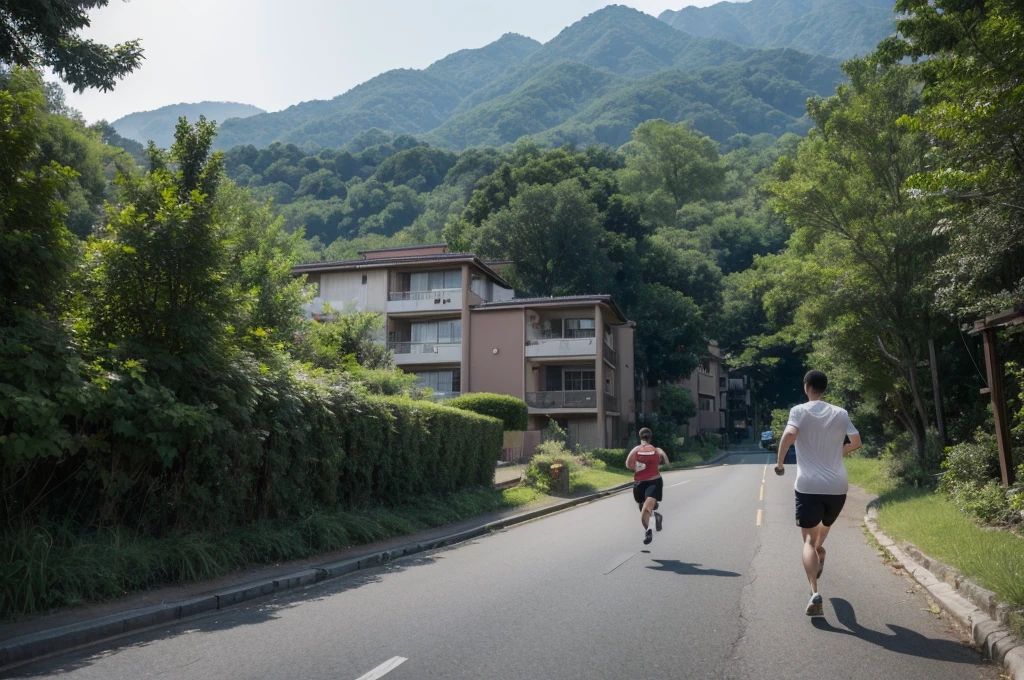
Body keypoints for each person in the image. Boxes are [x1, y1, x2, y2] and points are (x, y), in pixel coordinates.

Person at [774, 370, 862, 616]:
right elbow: (856, 442)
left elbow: (789, 435)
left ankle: (814, 593)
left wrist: (779, 464)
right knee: (823, 529)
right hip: (837, 487)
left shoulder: (799, 411)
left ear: (806, 387)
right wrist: (837, 454)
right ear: (825, 388)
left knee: (809, 541)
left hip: (808, 486)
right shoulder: (840, 413)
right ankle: (820, 552)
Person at [626, 428, 670, 545]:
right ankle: (656, 516)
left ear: (640, 437)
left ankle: (648, 532)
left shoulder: (636, 450)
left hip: (652, 482)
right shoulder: (657, 450)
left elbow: (629, 465)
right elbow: (666, 462)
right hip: (642, 483)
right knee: (644, 508)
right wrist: (655, 462)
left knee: (645, 509)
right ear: (650, 438)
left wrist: (639, 466)